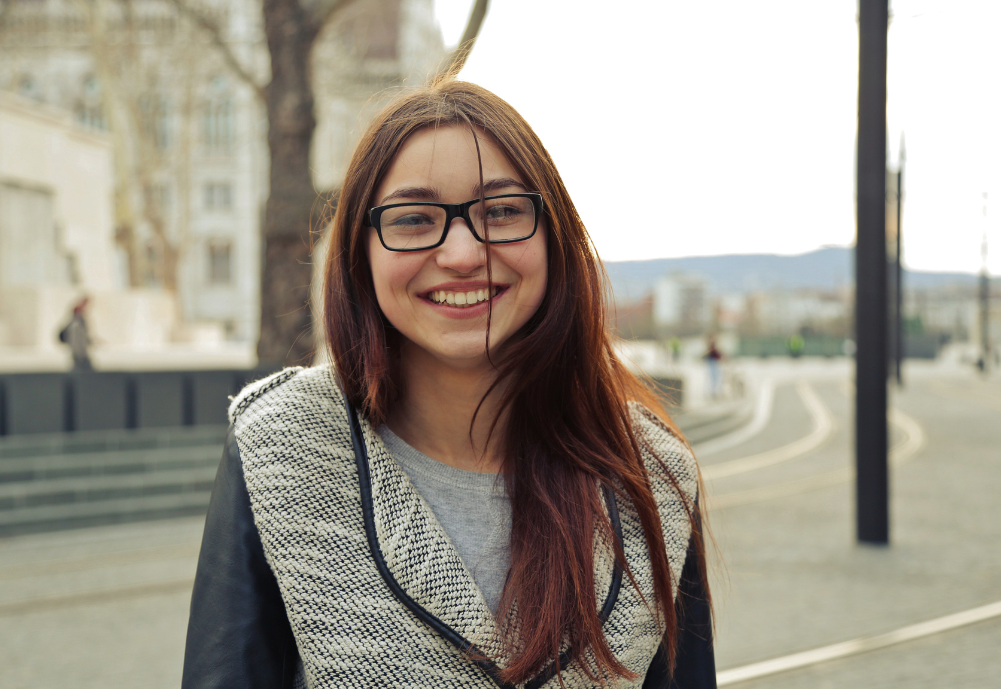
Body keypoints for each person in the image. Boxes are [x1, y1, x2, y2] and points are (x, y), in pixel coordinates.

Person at [182, 79, 715, 688]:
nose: (463, 253)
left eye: (503, 211)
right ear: (361, 252)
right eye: (413, 219)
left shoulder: (650, 475)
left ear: (555, 237)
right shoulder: (281, 446)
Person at [59, 296, 92, 371]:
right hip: (80, 356)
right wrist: (80, 355)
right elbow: (76, 341)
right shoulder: (76, 326)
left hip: (80, 355)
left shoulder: (81, 324)